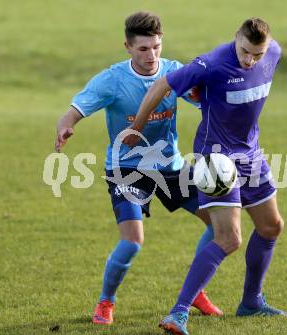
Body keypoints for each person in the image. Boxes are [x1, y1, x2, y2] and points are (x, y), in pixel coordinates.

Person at [54, 11, 223, 325]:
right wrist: (65, 128)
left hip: (170, 167)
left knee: (220, 224)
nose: (151, 55)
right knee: (132, 241)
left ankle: (195, 291)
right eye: (143, 49)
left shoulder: (174, 72)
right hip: (126, 168)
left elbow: (207, 101)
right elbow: (73, 112)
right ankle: (106, 302)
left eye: (156, 47)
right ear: (128, 47)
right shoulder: (113, 79)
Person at [124, 17, 287, 335]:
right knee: (229, 239)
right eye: (244, 51)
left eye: (257, 54)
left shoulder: (273, 53)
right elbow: (163, 84)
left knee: (272, 226)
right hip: (215, 157)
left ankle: (252, 303)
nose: (249, 60)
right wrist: (138, 126)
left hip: (250, 154)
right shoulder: (211, 64)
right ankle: (178, 313)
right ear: (236, 38)